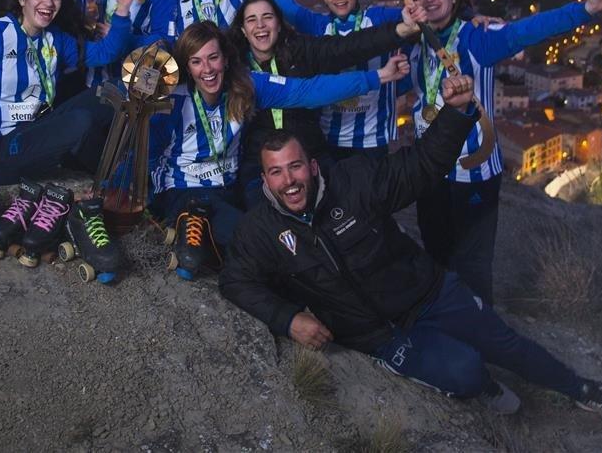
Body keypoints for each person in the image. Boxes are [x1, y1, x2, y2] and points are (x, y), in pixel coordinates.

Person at [218, 120, 602, 429]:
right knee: (468, 370)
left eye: (294, 168)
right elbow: (235, 282)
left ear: (311, 166)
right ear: (267, 181)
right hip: (379, 336)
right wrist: (288, 319)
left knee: (505, 343)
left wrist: (456, 114)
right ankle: (481, 384)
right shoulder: (261, 230)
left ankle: (582, 390)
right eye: (276, 173)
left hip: (431, 292)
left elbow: (419, 165)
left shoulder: (355, 181)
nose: (288, 181)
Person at [406, 0, 602, 304]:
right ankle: (444, 322)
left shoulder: (477, 38)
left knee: (471, 263)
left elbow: (525, 31)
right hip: (430, 170)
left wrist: (587, 9)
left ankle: (479, 334)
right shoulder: (415, 43)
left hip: (472, 172)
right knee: (436, 253)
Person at [147, 21, 410, 280]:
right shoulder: (172, 97)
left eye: (213, 57)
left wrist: (379, 76)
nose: (207, 69)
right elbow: (141, 138)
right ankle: (187, 229)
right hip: (181, 190)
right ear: (187, 66)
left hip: (226, 189)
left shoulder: (246, 86)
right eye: (196, 61)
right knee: (258, 239)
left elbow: (308, 91)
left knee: (278, 232)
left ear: (225, 59)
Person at [0, 0, 138, 273]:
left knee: (109, 92)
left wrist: (123, 10)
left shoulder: (54, 39)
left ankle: (112, 176)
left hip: (37, 129)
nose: (49, 2)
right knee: (80, 122)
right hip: (0, 148)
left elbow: (104, 55)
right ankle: (89, 171)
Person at [228, 0, 425, 205]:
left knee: (344, 208)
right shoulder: (235, 67)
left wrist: (400, 30)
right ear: (243, 31)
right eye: (251, 20)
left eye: (267, 17)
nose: (260, 25)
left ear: (278, 23)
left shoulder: (301, 50)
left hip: (309, 152)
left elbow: (348, 47)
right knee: (260, 219)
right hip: (259, 161)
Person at [265, 0, 404, 161]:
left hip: (373, 141)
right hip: (329, 139)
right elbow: (284, 5)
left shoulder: (378, 18)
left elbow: (420, 17)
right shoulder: (319, 26)